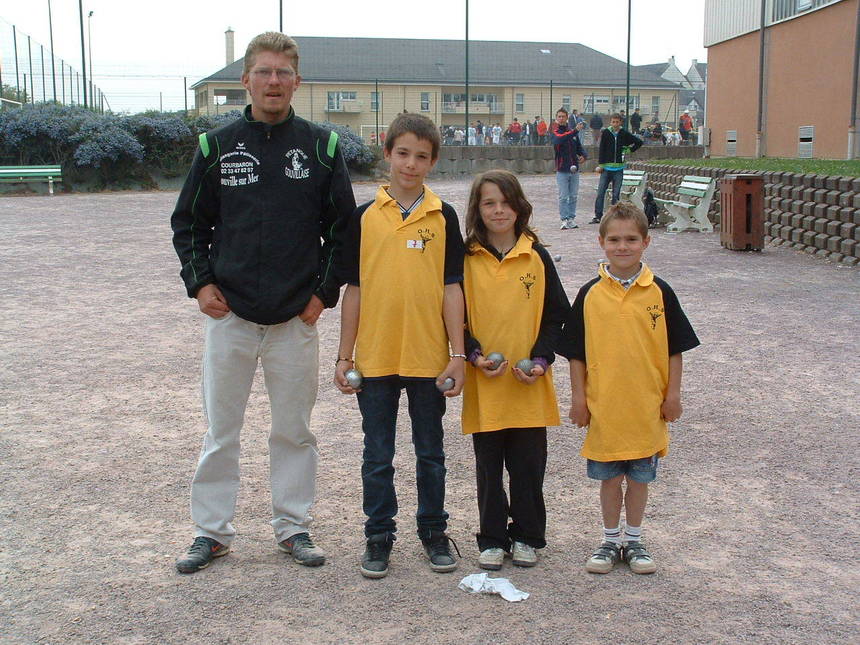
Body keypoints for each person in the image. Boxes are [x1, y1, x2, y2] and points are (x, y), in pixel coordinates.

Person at [170, 32, 356, 574]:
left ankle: (294, 528)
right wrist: (200, 283)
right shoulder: (218, 146)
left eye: (283, 73)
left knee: (293, 430)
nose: (273, 82)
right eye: (263, 72)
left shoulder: (321, 147)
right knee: (220, 430)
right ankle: (211, 532)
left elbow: (343, 232)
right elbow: (188, 224)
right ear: (246, 79)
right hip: (230, 318)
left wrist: (322, 296)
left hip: (295, 320)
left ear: (297, 81)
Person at [334, 112, 467, 579]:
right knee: (378, 454)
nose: (411, 164)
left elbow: (454, 288)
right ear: (387, 152)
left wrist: (457, 353)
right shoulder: (364, 216)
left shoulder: (444, 215)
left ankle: (433, 529)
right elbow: (355, 289)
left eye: (422, 156)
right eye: (403, 153)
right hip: (375, 357)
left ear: (433, 162)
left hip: (429, 357)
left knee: (430, 452)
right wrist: (344, 355)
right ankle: (378, 535)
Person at [561, 202, 700, 575]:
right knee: (609, 479)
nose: (623, 247)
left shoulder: (660, 292)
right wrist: (578, 399)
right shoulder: (589, 294)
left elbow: (675, 349)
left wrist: (673, 396)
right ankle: (609, 540)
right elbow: (575, 353)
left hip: (646, 408)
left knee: (638, 480)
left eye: (631, 239)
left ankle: (634, 540)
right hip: (604, 407)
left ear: (646, 242)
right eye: (615, 239)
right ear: (601, 242)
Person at [461, 170, 568, 571]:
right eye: (489, 202)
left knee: (526, 468)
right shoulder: (466, 256)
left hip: (528, 387)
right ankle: (491, 538)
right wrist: (473, 355)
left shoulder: (535, 255)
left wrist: (541, 361)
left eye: (505, 202)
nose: (498, 210)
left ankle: (526, 535)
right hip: (485, 385)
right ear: (478, 209)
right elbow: (454, 318)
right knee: (488, 468)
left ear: (519, 205)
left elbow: (558, 316)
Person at [590, 113, 642, 224]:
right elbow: (602, 149)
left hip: (618, 169)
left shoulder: (624, 133)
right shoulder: (606, 133)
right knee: (600, 193)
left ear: (620, 122)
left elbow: (638, 142)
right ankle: (598, 215)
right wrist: (601, 165)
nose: (615, 124)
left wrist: (629, 150)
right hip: (606, 169)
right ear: (610, 122)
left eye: (617, 122)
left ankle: (614, 217)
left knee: (616, 194)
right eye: (613, 122)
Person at [550, 107, 587, 230]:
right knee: (563, 196)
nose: (561, 119)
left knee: (574, 195)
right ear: (557, 118)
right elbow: (560, 139)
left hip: (574, 169)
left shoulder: (572, 133)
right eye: (559, 116)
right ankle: (564, 219)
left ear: (567, 118)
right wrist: (575, 131)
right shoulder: (555, 132)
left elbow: (579, 147)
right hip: (562, 170)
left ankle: (571, 218)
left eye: (563, 116)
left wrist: (584, 155)